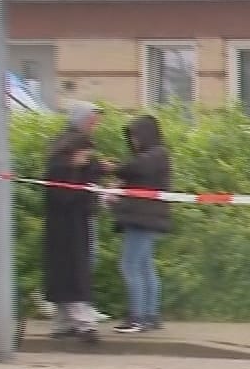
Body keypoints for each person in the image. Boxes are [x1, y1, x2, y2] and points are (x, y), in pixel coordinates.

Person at [41, 102, 105, 341]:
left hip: (73, 225)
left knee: (70, 272)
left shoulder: (67, 163)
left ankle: (64, 322)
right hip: (66, 228)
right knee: (73, 273)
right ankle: (83, 322)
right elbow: (63, 196)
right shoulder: (62, 168)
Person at [107, 114, 173, 332]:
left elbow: (133, 168)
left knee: (130, 265)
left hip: (142, 218)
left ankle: (137, 317)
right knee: (145, 267)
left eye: (135, 136)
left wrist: (112, 168)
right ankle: (150, 315)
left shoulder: (154, 155)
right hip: (146, 217)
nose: (133, 141)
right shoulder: (157, 156)